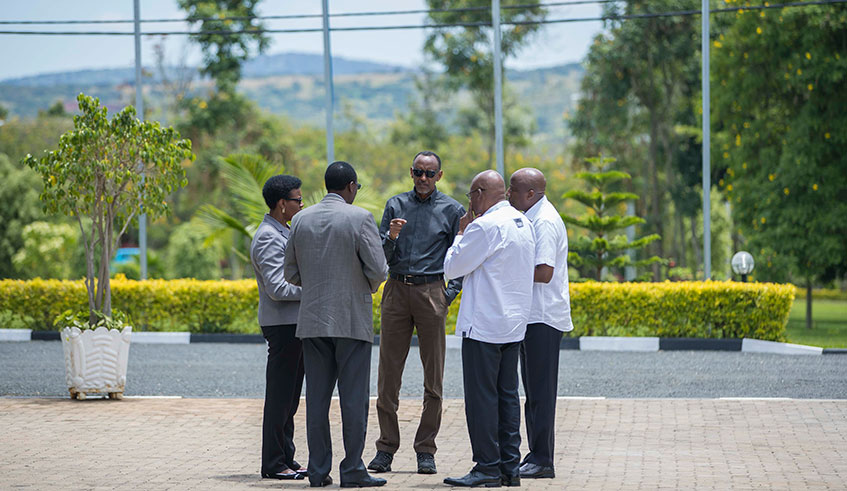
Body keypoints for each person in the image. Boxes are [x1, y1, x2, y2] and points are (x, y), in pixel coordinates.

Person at [283, 161, 389, 488]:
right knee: (353, 400)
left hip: (312, 321)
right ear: (352, 187)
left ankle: (317, 471)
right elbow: (379, 269)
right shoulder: (360, 218)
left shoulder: (300, 219)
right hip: (351, 319)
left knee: (316, 401)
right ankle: (353, 469)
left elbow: (289, 273)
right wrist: (365, 285)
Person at [368, 151, 464, 476]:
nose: (424, 178)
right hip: (396, 289)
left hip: (431, 291)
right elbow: (381, 255)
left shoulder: (452, 210)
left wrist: (448, 293)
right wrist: (391, 236)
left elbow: (462, 255)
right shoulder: (395, 205)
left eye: (430, 173)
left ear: (439, 175)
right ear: (411, 172)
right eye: (419, 172)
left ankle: (426, 449)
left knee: (433, 376)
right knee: (387, 376)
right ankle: (386, 448)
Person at [442, 170, 536, 488]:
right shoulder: (523, 223)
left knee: (482, 399)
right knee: (507, 398)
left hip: (484, 326)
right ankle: (510, 467)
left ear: (481, 193)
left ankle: (486, 466)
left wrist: (460, 234)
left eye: (471, 195)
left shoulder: (484, 226)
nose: (470, 202)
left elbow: (453, 267)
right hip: (512, 325)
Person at [508, 167, 574, 480]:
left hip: (543, 318)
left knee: (541, 393)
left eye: (513, 189)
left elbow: (544, 271)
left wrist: (507, 272)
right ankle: (535, 455)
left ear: (531, 194)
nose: (508, 195)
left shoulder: (544, 221)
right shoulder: (532, 216)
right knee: (533, 391)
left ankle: (543, 460)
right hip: (532, 316)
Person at [250, 174, 307, 480]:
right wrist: (314, 290)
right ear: (282, 204)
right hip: (283, 326)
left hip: (294, 324)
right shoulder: (267, 237)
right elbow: (278, 288)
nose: (302, 204)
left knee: (290, 397)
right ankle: (273, 464)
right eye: (298, 199)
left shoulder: (281, 231)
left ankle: (287, 457)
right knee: (280, 398)